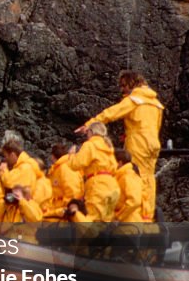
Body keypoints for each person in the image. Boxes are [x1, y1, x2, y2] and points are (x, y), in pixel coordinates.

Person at [77, 70, 163, 221]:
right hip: (153, 143)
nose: (122, 89)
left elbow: (112, 113)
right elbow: (156, 125)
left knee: (136, 177)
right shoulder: (155, 103)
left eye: (123, 85)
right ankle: (147, 216)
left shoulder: (134, 99)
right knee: (149, 179)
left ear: (131, 83)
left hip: (138, 142)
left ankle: (135, 216)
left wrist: (90, 124)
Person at [68, 122, 120, 222]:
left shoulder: (90, 145)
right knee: (105, 222)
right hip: (113, 186)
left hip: (97, 186)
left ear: (91, 132)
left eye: (87, 132)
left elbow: (75, 165)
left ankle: (75, 214)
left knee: (92, 222)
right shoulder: (109, 147)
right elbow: (114, 167)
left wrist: (71, 155)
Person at [44, 143, 84, 220]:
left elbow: (73, 192)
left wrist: (68, 208)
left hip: (64, 213)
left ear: (52, 156)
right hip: (57, 211)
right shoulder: (56, 169)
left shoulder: (65, 168)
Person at [114, 149, 145, 223]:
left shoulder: (128, 176)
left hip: (129, 225)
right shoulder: (122, 177)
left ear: (120, 163)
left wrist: (118, 217)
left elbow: (134, 201)